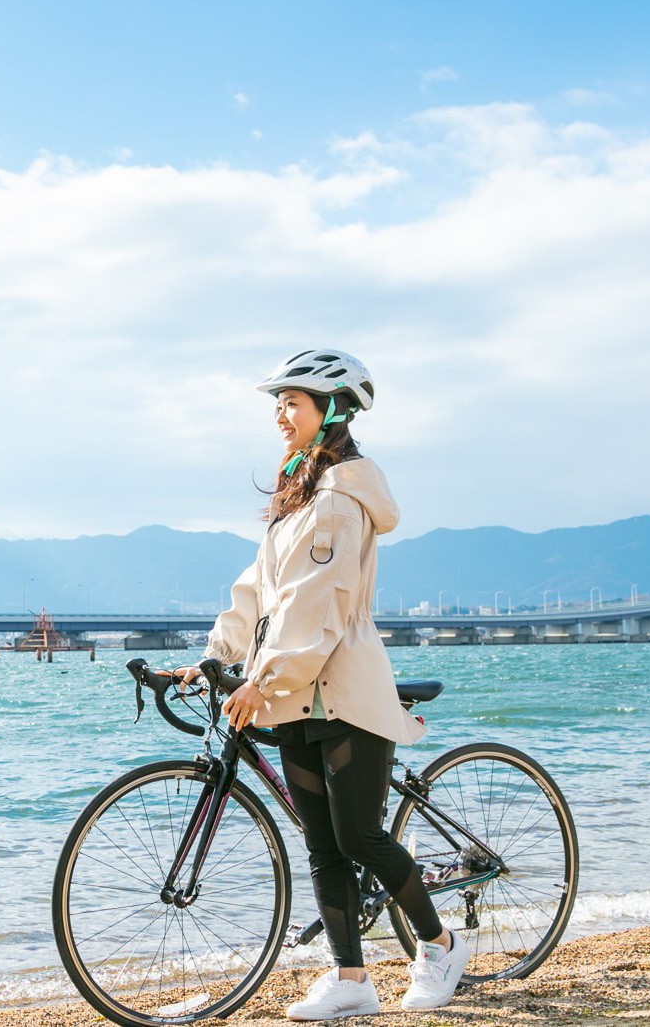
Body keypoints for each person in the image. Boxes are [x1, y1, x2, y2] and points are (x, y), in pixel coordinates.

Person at [170, 348, 471, 1020]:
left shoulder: (340, 497)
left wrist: (263, 677)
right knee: (320, 843)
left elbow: (320, 603)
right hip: (297, 692)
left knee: (360, 834)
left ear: (331, 409)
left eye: (292, 402)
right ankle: (350, 977)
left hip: (345, 689)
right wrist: (214, 656)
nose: (280, 414)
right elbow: (258, 590)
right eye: (277, 403)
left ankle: (441, 944)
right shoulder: (299, 495)